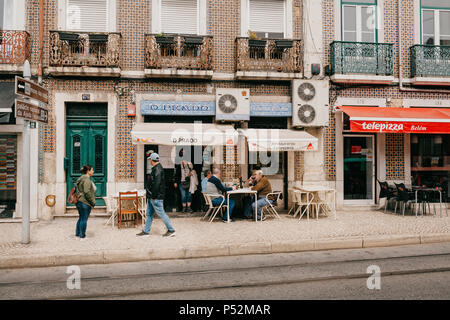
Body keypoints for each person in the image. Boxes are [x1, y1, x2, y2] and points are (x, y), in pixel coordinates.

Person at [137, 153, 176, 237]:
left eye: (150, 160)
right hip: (153, 197)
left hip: (155, 197)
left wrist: (153, 195)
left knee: (162, 214)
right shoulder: (156, 168)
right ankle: (146, 231)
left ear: (152, 160)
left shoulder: (157, 169)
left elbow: (157, 184)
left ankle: (171, 230)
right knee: (149, 214)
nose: (149, 161)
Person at [75, 164, 96, 240]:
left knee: (81, 218)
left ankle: (77, 234)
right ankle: (82, 236)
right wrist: (92, 201)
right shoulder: (87, 179)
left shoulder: (80, 178)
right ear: (88, 171)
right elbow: (87, 192)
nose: (93, 171)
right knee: (84, 219)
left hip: (79, 201)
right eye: (92, 170)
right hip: (85, 202)